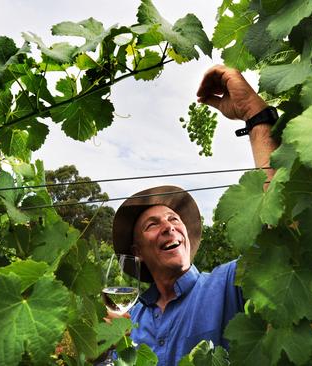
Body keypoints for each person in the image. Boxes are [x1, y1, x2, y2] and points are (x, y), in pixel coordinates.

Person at [109, 65, 279, 366]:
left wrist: (255, 113)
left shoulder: (228, 284)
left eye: (175, 220)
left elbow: (281, 235)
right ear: (137, 253)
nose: (169, 226)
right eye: (153, 224)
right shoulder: (127, 319)